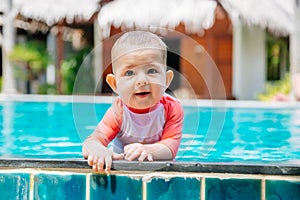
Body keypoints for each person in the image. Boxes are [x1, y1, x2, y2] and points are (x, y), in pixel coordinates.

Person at [82, 31, 184, 173]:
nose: (142, 80)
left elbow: (171, 146)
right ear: (114, 84)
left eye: (152, 70)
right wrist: (99, 152)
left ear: (166, 80)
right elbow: (91, 142)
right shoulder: (119, 112)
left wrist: (149, 150)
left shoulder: (172, 108)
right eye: (129, 73)